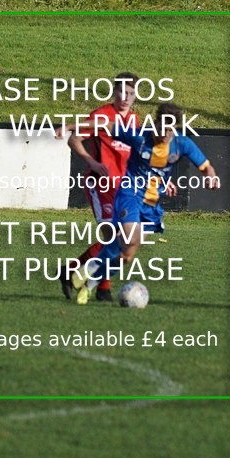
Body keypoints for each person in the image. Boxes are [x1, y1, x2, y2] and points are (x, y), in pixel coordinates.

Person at [56, 102, 220, 305]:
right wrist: (71, 126)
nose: (163, 132)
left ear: (175, 128)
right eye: (160, 126)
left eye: (168, 129)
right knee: (127, 237)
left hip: (151, 204)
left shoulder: (183, 144)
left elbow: (206, 167)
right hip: (129, 193)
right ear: (156, 122)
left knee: (126, 255)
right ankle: (85, 271)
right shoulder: (139, 136)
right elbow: (103, 125)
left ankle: (89, 285)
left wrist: (211, 177)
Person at [60, 72, 139, 302]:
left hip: (122, 188)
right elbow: (74, 139)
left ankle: (80, 275)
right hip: (100, 184)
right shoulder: (101, 115)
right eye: (121, 92)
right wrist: (92, 162)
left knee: (119, 242)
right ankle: (101, 288)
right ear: (114, 92)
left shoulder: (134, 121)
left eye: (130, 93)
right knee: (114, 237)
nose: (125, 97)